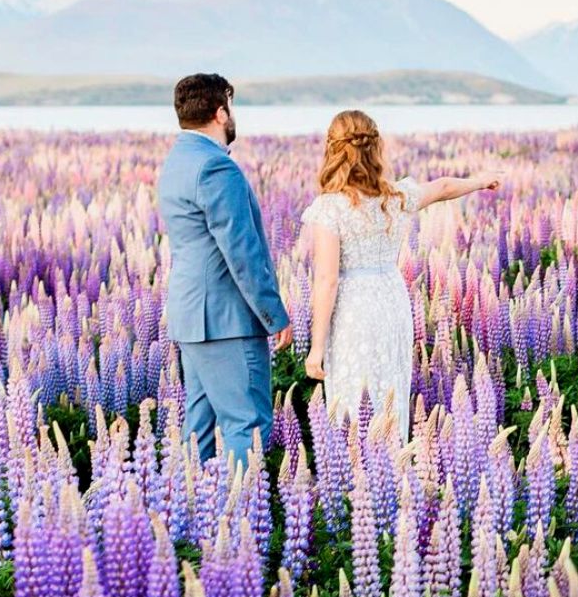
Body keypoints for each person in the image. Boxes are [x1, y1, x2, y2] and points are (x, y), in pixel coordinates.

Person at [302, 109, 500, 438]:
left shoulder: (330, 207)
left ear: (333, 151)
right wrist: (481, 181)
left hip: (354, 309)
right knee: (389, 388)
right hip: (391, 300)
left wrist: (316, 347)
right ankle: (392, 466)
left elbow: (327, 280)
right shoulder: (394, 197)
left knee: (353, 391)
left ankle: (358, 475)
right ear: (375, 148)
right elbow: (444, 186)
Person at [157, 73, 292, 469]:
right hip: (227, 321)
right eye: (231, 108)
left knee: (197, 430)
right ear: (220, 112)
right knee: (246, 426)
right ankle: (240, 523)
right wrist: (273, 313)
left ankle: (187, 518)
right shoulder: (217, 168)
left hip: (192, 318)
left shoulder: (177, 161)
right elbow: (242, 253)